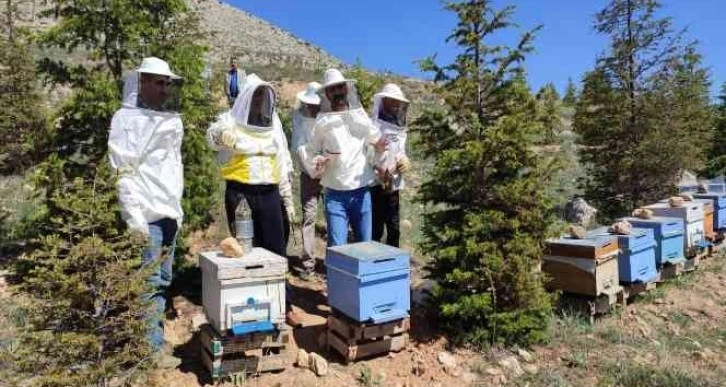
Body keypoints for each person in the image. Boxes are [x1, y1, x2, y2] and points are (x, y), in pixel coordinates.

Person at [108, 57, 184, 367]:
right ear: (141, 83)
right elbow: (123, 170)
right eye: (158, 81)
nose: (164, 87)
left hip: (169, 212)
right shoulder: (126, 120)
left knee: (163, 280)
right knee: (148, 282)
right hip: (147, 216)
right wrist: (135, 219)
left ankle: (154, 340)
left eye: (167, 82)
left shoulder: (167, 119)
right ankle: (147, 354)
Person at [207, 73, 293, 257]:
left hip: (270, 191)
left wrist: (287, 196)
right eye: (256, 94)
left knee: (276, 244)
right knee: (245, 247)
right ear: (246, 96)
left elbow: (281, 160)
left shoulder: (274, 125)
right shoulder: (230, 119)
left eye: (262, 95)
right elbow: (212, 137)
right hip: (240, 193)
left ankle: (278, 285)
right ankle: (250, 285)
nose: (259, 100)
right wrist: (222, 134)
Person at [302, 69, 385, 247]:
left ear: (346, 88)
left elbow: (377, 140)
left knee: (364, 246)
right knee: (337, 247)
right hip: (335, 194)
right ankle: (336, 276)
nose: (337, 91)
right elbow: (310, 152)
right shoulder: (321, 123)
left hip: (361, 191)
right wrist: (318, 161)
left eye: (340, 87)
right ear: (327, 94)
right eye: (332, 89)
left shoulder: (360, 116)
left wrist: (381, 147)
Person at [370, 83, 411, 247]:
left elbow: (400, 151)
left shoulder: (400, 129)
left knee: (394, 227)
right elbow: (366, 152)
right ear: (383, 101)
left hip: (393, 184)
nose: (395, 105)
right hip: (375, 183)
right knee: (376, 227)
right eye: (392, 101)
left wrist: (404, 161)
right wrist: (376, 167)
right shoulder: (373, 125)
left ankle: (391, 264)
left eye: (397, 102)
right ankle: (373, 263)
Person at [290, 82, 322, 277]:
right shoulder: (300, 120)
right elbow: (298, 148)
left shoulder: (327, 118)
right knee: (309, 217)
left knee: (336, 219)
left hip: (330, 174)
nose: (312, 108)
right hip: (308, 175)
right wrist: (312, 168)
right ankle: (309, 264)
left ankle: (335, 264)